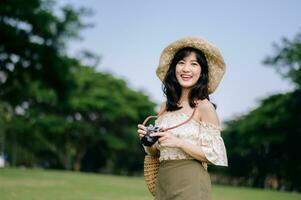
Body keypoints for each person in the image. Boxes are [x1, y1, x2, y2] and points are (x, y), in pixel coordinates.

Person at [137, 36, 228, 200]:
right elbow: (156, 152)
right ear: (174, 68)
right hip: (164, 181)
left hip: (191, 183)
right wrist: (149, 140)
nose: (186, 69)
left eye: (194, 64)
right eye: (181, 62)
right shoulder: (164, 107)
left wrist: (178, 142)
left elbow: (215, 154)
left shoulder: (204, 107)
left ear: (202, 72)